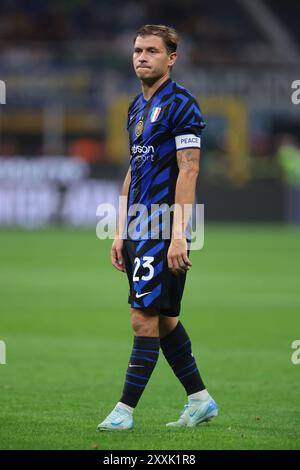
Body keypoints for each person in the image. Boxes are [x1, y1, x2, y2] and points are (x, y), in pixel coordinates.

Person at [97, 24, 218, 431]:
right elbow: (134, 169)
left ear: (172, 58)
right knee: (163, 318)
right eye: (137, 50)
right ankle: (200, 400)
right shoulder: (135, 107)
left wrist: (179, 234)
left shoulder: (182, 104)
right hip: (137, 225)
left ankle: (124, 412)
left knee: (142, 317)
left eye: (151, 50)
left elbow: (190, 169)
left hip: (164, 226)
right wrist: (119, 230)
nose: (142, 57)